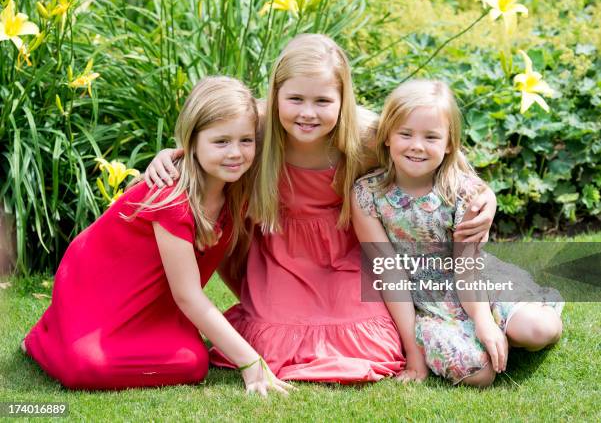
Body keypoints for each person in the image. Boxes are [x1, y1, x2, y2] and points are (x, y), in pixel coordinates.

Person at [144, 34, 497, 383]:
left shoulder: (366, 136)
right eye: (295, 98)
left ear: (343, 99)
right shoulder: (257, 129)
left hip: (345, 256)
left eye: (323, 101)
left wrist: (486, 195)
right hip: (282, 257)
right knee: (273, 336)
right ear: (275, 95)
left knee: (372, 341)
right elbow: (206, 139)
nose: (307, 113)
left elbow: (440, 153)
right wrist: (169, 156)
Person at [23, 77, 293, 395]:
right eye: (221, 142)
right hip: (96, 288)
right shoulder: (173, 198)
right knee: (86, 368)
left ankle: (135, 336)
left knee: (192, 363)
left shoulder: (236, 189)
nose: (235, 153)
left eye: (246, 141)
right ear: (191, 142)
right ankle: (45, 337)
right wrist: (250, 363)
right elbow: (187, 295)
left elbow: (286, 116)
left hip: (154, 301)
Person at [351, 79, 563, 387]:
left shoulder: (461, 192)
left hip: (476, 283)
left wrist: (484, 321)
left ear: (449, 143)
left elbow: (466, 269)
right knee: (480, 374)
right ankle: (488, 343)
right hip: (426, 301)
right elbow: (389, 273)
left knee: (538, 330)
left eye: (431, 137)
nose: (417, 146)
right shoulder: (367, 195)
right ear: (387, 137)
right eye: (405, 134)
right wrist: (413, 353)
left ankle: (511, 322)